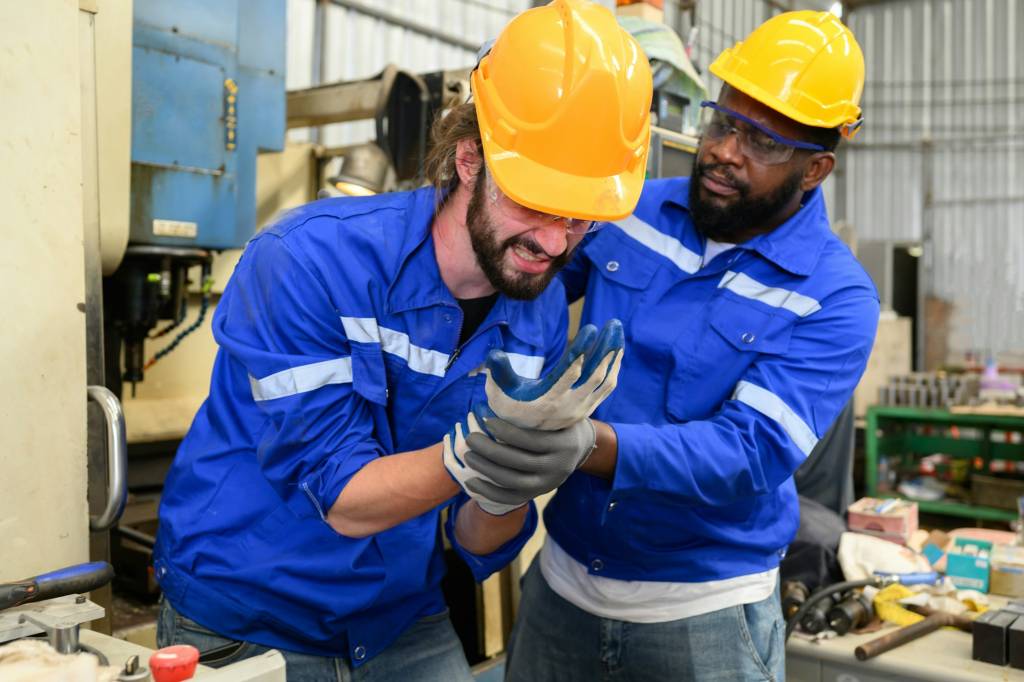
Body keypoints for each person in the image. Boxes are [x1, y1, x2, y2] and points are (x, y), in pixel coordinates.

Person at [152, 1, 651, 680]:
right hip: (247, 619)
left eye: (581, 219)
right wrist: (483, 453)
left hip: (397, 618)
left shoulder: (533, 313)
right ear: (470, 160)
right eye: (534, 202)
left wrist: (518, 481)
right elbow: (346, 498)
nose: (555, 242)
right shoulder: (307, 261)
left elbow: (475, 540)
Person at [499, 11, 880, 681]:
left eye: (761, 143)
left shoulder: (834, 297)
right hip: (558, 594)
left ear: (816, 168)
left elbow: (746, 453)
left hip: (704, 624)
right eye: (724, 122)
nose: (726, 152)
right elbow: (526, 285)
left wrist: (585, 444)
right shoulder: (629, 211)